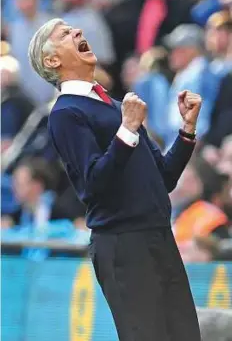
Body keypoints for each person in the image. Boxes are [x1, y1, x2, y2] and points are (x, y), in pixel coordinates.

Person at [28, 18, 202, 341]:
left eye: (74, 29)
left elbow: (163, 178)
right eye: (65, 34)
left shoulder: (118, 107)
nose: (77, 31)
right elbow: (94, 184)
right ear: (52, 61)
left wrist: (187, 130)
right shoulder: (65, 113)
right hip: (123, 244)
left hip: (158, 235)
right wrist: (127, 130)